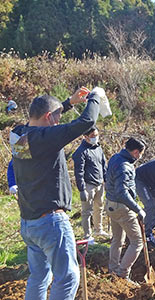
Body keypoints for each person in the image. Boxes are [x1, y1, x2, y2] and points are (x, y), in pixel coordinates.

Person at [10, 86, 101, 300]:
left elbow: (44, 118)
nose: (59, 124)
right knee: (68, 277)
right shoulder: (45, 138)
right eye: (57, 118)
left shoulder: (18, 135)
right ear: (49, 117)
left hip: (29, 223)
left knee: (39, 276)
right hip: (50, 222)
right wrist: (96, 96)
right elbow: (86, 122)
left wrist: (68, 103)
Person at [105, 137, 147, 281]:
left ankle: (113, 269)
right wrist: (138, 209)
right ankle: (122, 274)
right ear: (136, 152)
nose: (140, 157)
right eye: (140, 154)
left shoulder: (115, 158)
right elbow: (121, 192)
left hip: (110, 204)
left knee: (117, 239)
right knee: (137, 241)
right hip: (122, 208)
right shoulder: (125, 167)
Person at [72, 126, 108, 240]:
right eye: (93, 136)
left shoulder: (98, 148)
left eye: (96, 135)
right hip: (88, 185)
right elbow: (79, 172)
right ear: (85, 137)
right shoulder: (81, 152)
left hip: (99, 183)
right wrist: (82, 189)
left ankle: (99, 230)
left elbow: (103, 165)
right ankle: (87, 235)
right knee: (87, 211)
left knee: (99, 207)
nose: (95, 138)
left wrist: (106, 180)